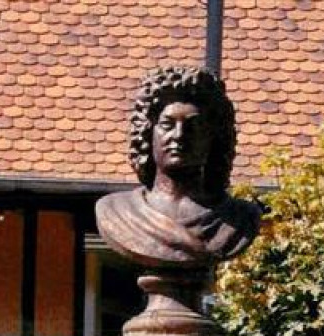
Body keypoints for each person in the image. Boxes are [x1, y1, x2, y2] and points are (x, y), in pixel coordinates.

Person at [95, 66, 261, 271]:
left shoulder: (239, 218)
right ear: (148, 133)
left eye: (193, 126)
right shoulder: (116, 211)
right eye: (167, 124)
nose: (179, 135)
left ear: (213, 139)